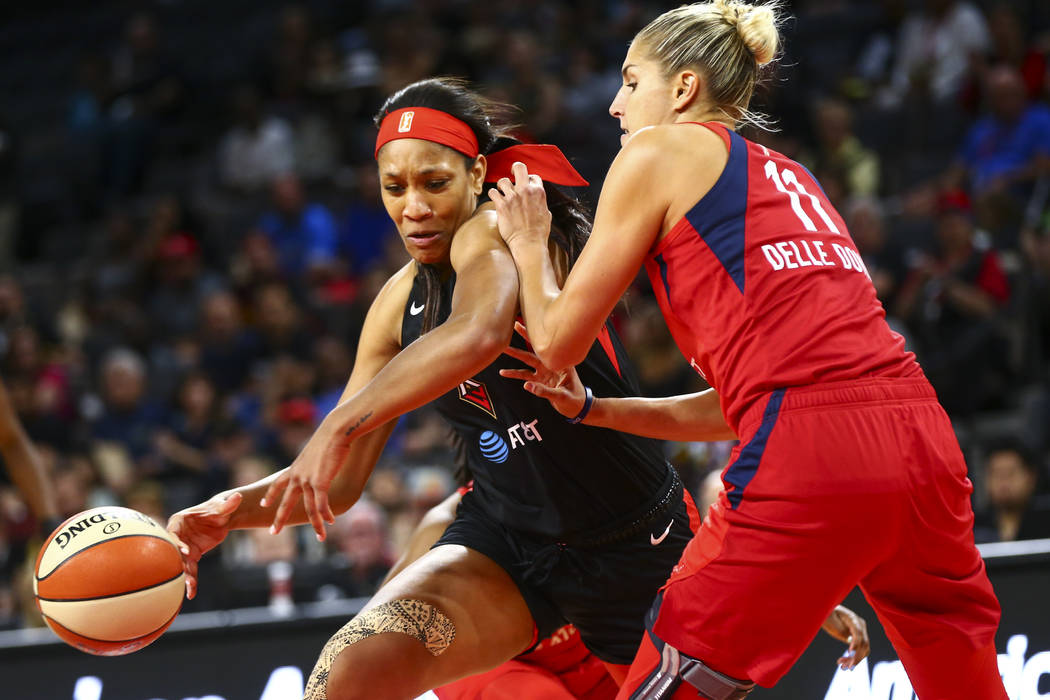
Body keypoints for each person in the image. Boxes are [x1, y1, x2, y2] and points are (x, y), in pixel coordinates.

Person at [169, 77, 861, 700]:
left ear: (476, 173)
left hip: (633, 546)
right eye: (394, 187)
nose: (414, 207)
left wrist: (334, 422)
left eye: (434, 183)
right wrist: (227, 513)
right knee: (346, 672)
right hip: (509, 543)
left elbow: (478, 332)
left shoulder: (502, 228)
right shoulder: (394, 304)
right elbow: (339, 482)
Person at [488, 2, 1009, 699]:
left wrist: (527, 242)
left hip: (814, 451)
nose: (615, 106)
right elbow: (754, 398)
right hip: (922, 444)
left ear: (682, 89)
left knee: (668, 681)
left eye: (631, 81)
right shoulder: (792, 175)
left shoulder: (658, 151)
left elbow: (553, 342)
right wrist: (598, 411)